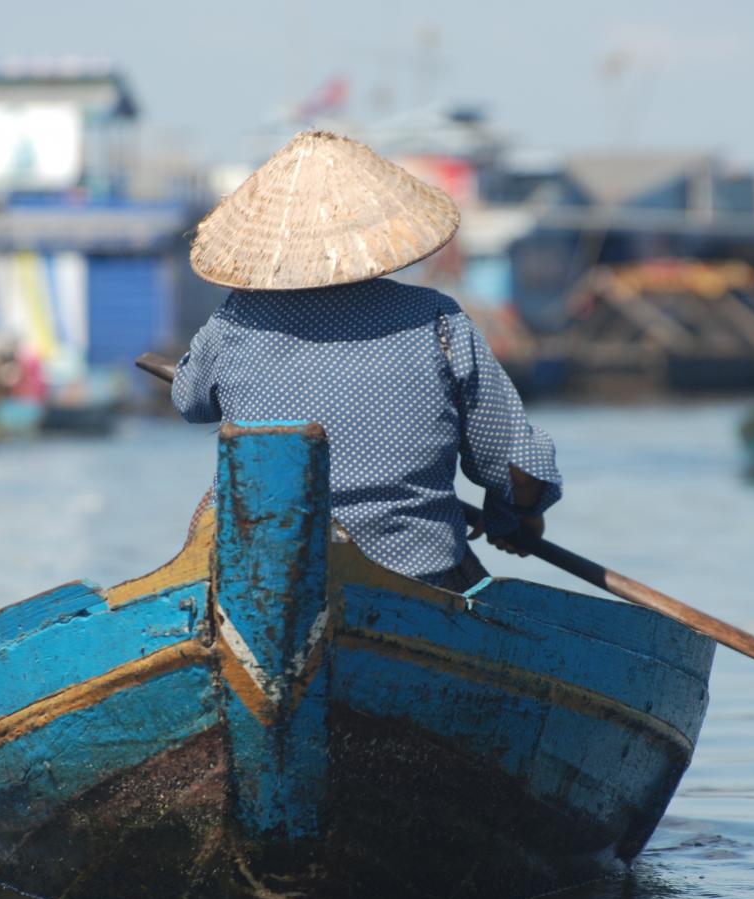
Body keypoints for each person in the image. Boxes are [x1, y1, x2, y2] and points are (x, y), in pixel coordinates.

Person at [172, 131, 561, 592]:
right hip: (418, 573)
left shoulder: (235, 320)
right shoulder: (438, 319)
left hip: (264, 575)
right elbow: (516, 465)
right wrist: (518, 516)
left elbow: (191, 401)